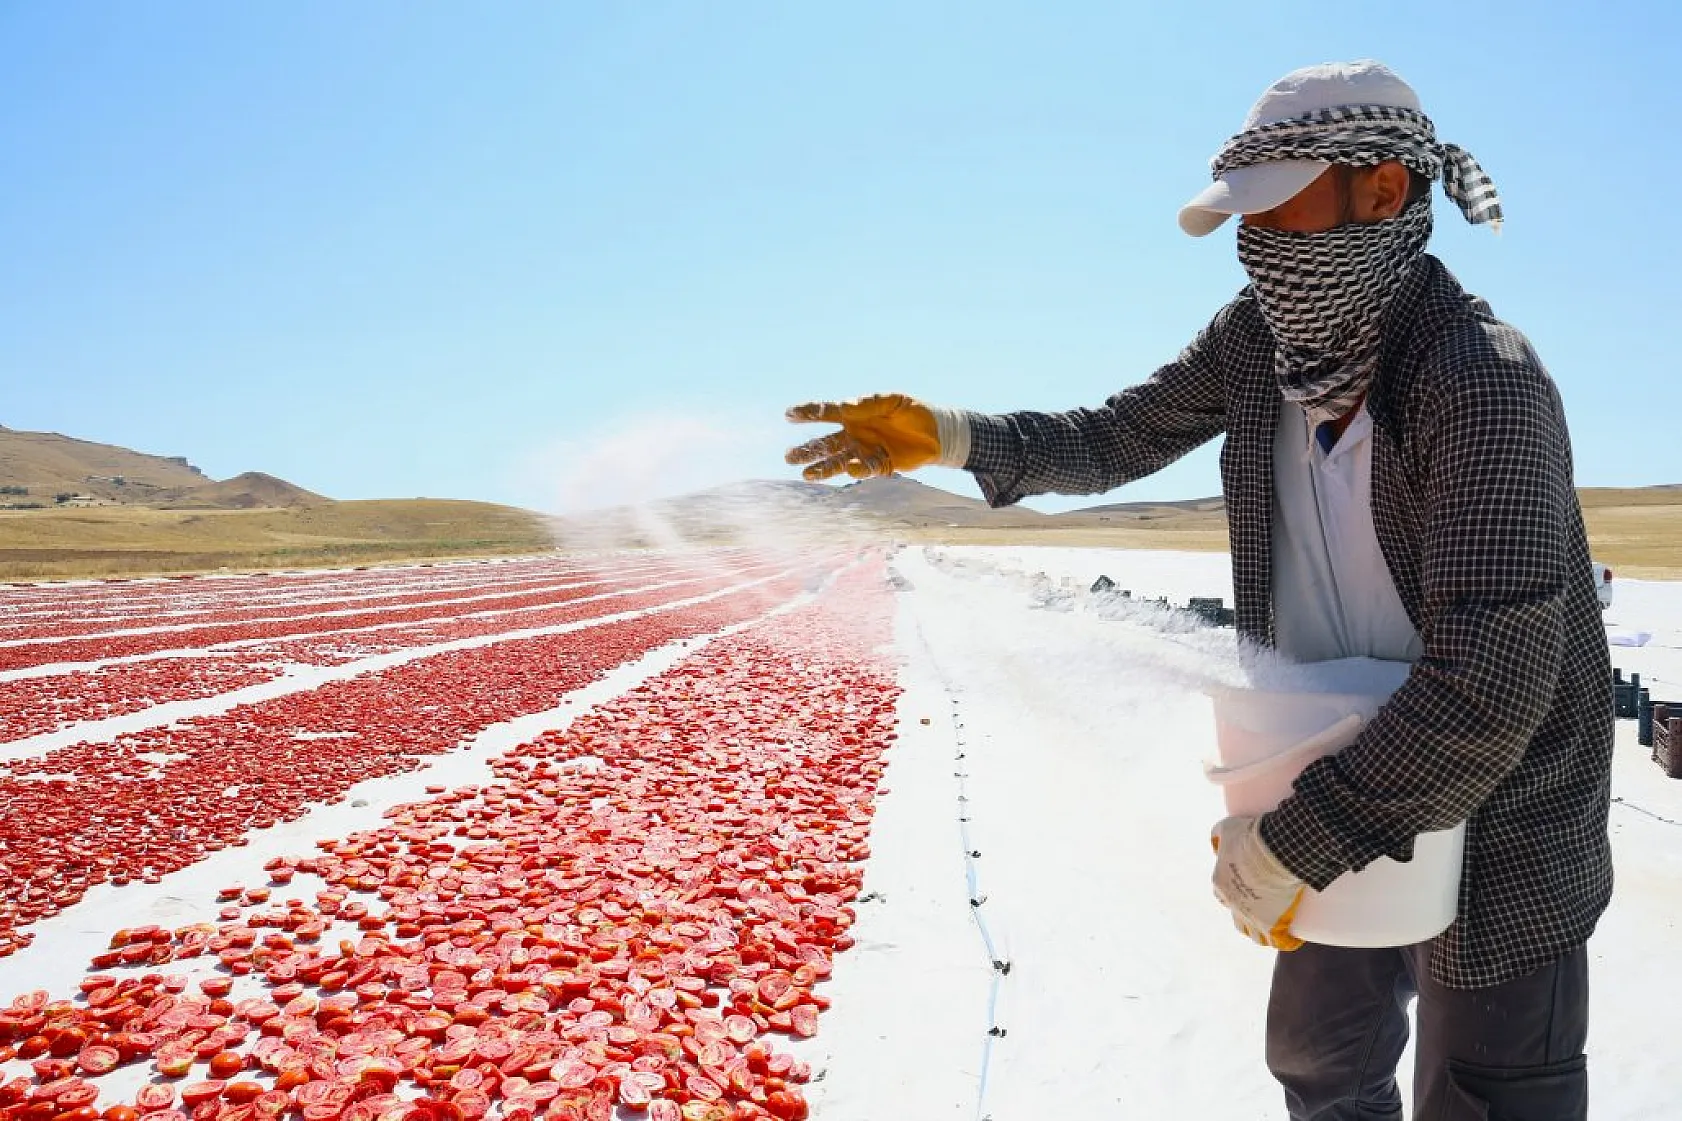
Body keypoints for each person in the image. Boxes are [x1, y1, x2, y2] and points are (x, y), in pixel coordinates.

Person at [784, 60, 1612, 1121]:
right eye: (1243, 220)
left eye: (1278, 209)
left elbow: (1488, 686)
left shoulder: (1477, 378)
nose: (1254, 244)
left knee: (1485, 1093)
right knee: (1319, 1063)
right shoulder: (1257, 343)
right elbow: (1113, 435)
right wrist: (951, 436)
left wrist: (1294, 841)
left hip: (1496, 818)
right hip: (1332, 762)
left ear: (1383, 191)